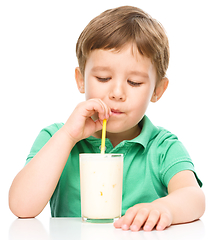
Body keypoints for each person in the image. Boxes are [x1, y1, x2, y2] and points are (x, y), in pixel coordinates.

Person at [9, 6, 205, 232]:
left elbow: (194, 197)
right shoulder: (55, 139)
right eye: (103, 78)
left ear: (157, 90)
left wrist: (165, 208)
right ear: (81, 79)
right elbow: (22, 207)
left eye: (134, 83)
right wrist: (68, 136)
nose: (117, 93)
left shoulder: (162, 147)